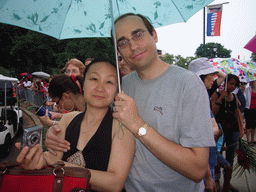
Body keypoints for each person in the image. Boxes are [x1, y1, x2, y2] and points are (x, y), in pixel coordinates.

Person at [46, 13, 215, 192]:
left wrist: (138, 125)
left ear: (154, 35)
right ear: (118, 50)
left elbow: (197, 169)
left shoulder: (187, 84)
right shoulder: (121, 86)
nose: (133, 46)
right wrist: (57, 131)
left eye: (138, 35)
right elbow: (93, 120)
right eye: (123, 42)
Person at [15, 59, 135, 192]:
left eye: (109, 82)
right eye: (94, 79)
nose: (100, 88)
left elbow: (114, 184)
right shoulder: (67, 120)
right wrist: (35, 160)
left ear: (117, 91)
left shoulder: (121, 128)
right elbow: (52, 157)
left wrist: (60, 165)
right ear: (83, 85)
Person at [188, 57, 223, 192]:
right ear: (200, 78)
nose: (214, 79)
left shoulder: (201, 96)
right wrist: (208, 176)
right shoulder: (196, 102)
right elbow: (200, 139)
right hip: (202, 165)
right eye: (210, 75)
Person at [211, 74, 244, 192]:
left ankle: (227, 182)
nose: (233, 86)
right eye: (231, 83)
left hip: (233, 131)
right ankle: (217, 181)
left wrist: (241, 129)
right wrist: (220, 99)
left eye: (235, 85)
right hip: (220, 132)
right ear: (224, 83)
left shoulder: (234, 97)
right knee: (217, 157)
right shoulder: (217, 94)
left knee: (230, 157)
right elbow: (213, 113)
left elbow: (237, 112)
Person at [244, 79, 256, 146]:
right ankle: (248, 140)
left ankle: (252, 139)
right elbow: (245, 98)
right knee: (248, 123)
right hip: (248, 108)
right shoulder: (248, 89)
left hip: (255, 108)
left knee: (254, 125)